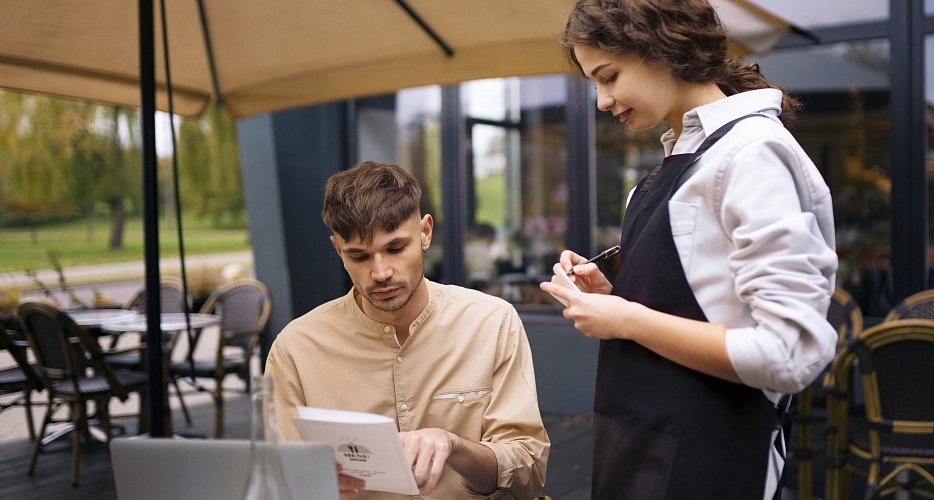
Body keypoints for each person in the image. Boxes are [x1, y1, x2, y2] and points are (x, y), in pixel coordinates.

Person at [539, 1, 839, 499]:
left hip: (710, 461)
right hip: (637, 447)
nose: (602, 101)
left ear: (662, 46)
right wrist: (613, 298)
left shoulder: (751, 154)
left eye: (609, 77)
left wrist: (627, 318)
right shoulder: (678, 162)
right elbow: (700, 306)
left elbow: (786, 354)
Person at [265, 161, 549, 500]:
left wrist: (454, 446)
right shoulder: (296, 349)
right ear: (338, 250)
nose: (381, 273)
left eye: (395, 248)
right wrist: (309, 486)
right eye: (359, 257)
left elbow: (528, 472)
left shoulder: (491, 322)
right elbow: (278, 481)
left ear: (425, 233)